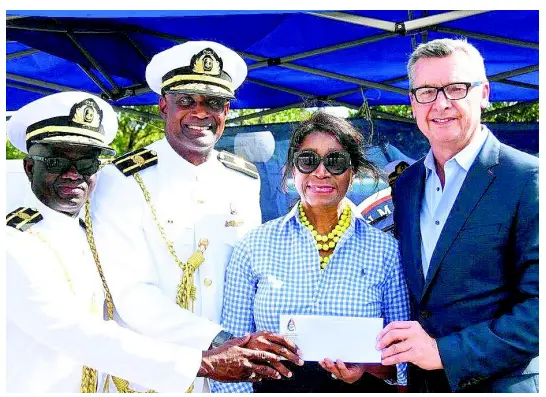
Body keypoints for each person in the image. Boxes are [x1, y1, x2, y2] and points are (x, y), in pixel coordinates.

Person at [5, 91, 289, 392]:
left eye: (88, 162)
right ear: (28, 167)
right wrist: (203, 362)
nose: (74, 174)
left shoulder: (82, 232)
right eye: (55, 161)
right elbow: (77, 333)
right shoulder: (14, 245)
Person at [89, 41, 302, 393]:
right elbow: (129, 293)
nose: (200, 113)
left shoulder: (243, 179)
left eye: (213, 103)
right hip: (157, 376)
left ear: (228, 110)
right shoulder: (123, 180)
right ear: (162, 106)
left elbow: (254, 274)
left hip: (234, 377)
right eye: (186, 101)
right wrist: (219, 340)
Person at [376, 38, 539, 392]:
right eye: (427, 91)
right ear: (412, 103)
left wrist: (445, 353)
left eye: (456, 88)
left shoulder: (528, 178)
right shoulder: (406, 185)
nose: (441, 104)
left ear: (484, 94)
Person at [212, 112, 410, 393]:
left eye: (335, 161)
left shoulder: (386, 252)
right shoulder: (254, 247)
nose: (321, 172)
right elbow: (232, 352)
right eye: (308, 160)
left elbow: (403, 362)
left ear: (352, 171)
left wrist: (366, 369)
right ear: (293, 169)